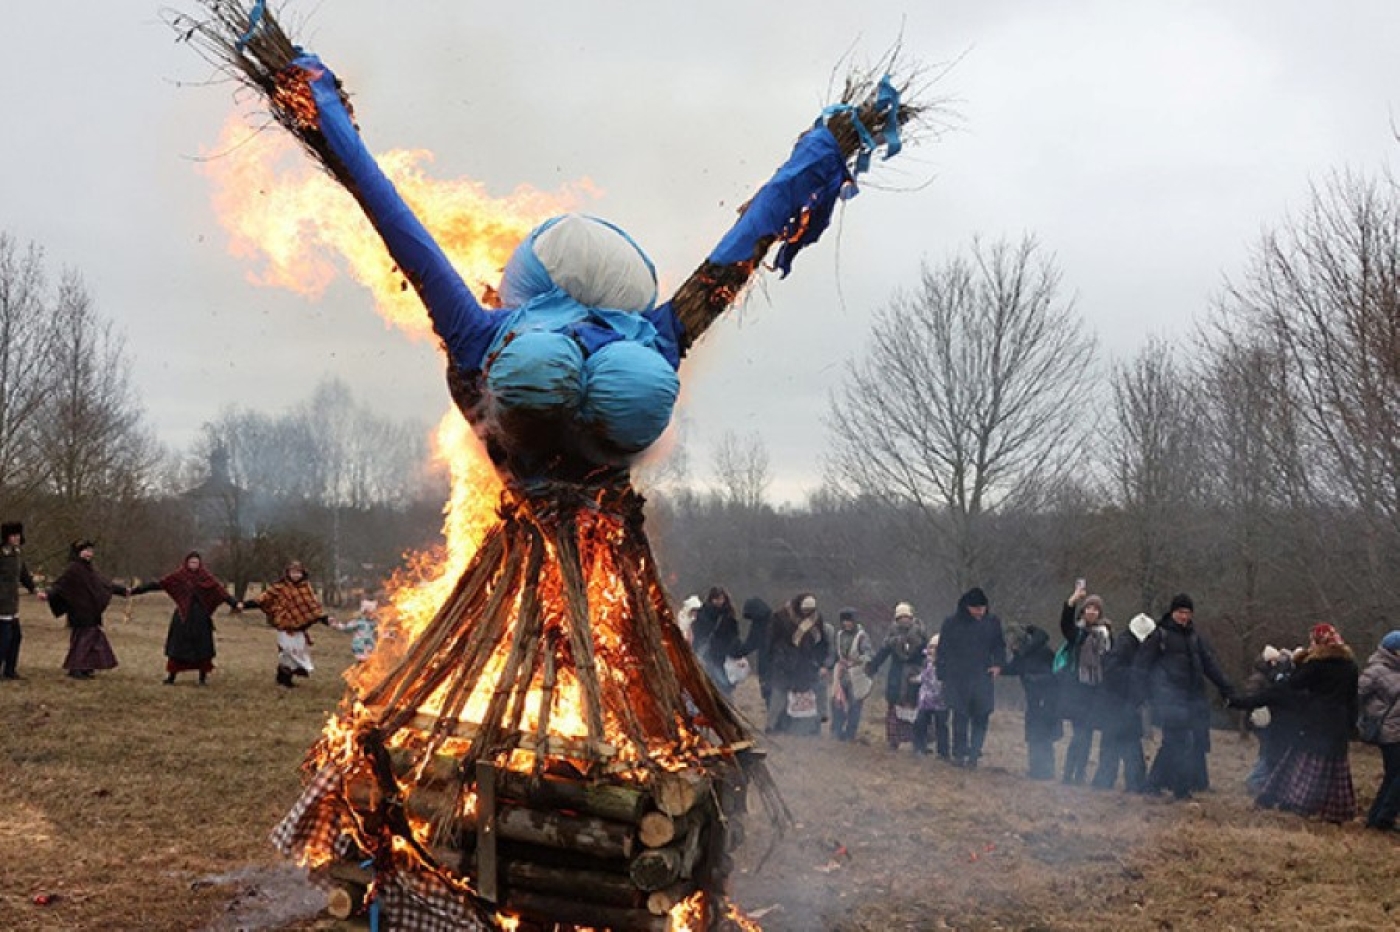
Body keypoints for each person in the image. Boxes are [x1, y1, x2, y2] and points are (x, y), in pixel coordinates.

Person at [1232, 623, 1359, 823]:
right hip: (1338, 725)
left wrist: (1287, 670)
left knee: (1306, 765)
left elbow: (1289, 687)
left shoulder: (1316, 665)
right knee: (1335, 769)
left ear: (1319, 642)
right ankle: (1336, 810)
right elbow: (1352, 699)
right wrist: (1351, 726)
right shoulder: (1350, 666)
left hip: (1315, 722)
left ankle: (1301, 803)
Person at [1132, 593, 1234, 800]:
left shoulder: (1194, 637)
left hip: (1190, 697)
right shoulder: (1159, 635)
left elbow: (1209, 664)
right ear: (1172, 612)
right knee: (1181, 741)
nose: (1184, 616)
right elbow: (1141, 666)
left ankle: (1156, 784)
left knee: (1175, 743)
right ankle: (1179, 789)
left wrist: (1226, 686)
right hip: (1167, 697)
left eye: (1187, 612)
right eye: (1180, 612)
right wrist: (1141, 694)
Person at [131, 552, 238, 686]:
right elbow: (160, 584)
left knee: (202, 648)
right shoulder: (179, 576)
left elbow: (221, 592)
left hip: (201, 618)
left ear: (200, 564)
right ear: (186, 563)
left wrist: (234, 603)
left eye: (196, 563)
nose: (194, 565)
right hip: (183, 617)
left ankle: (202, 679)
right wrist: (136, 591)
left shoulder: (206, 577)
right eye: (191, 562)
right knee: (177, 647)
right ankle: (171, 677)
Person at [936, 588, 1007, 769]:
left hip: (983, 676)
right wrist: (941, 672)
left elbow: (999, 646)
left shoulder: (992, 622)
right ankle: (959, 754)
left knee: (981, 716)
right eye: (976, 609)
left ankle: (974, 755)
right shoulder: (951, 623)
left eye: (983, 608)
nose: (980, 612)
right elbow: (942, 648)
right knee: (959, 716)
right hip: (957, 677)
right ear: (967, 607)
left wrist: (999, 665)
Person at [43, 540, 128, 679]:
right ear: (79, 552)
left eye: (90, 551)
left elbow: (104, 584)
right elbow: (60, 586)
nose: (89, 553)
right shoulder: (73, 569)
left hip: (90, 612)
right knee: (83, 640)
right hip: (79, 612)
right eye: (86, 550)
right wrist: (47, 594)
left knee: (91, 640)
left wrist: (123, 591)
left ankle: (85, 667)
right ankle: (76, 668)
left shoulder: (90, 569)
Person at [244, 561, 332, 688]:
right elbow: (263, 598)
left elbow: (312, 606)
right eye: (293, 572)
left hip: (300, 628)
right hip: (284, 625)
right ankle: (284, 679)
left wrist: (323, 618)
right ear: (288, 573)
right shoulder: (280, 587)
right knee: (286, 651)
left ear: (303, 573)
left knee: (297, 652)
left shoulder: (306, 587)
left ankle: (285, 677)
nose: (296, 575)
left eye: (298, 572)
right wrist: (245, 605)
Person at [1092, 613, 1155, 792]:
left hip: (1123, 702)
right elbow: (1112, 672)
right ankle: (1132, 783)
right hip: (1117, 702)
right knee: (1125, 745)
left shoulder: (1130, 644)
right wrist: (1137, 677)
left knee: (1118, 744)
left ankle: (1109, 781)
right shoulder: (1125, 645)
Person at [1058, 585, 1112, 785]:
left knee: (1087, 735)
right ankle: (1068, 774)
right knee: (1079, 734)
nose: (1092, 611)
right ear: (1083, 611)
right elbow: (1065, 625)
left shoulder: (1105, 635)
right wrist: (1071, 602)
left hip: (1095, 691)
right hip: (1077, 690)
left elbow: (1108, 661)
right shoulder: (1078, 633)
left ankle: (1079, 773)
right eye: (1089, 608)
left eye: (1096, 609)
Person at [1003, 624, 1060, 780]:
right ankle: (1035, 769)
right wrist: (998, 669)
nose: (1012, 647)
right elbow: (1013, 668)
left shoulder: (1042, 651)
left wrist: (1035, 679)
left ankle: (1046, 771)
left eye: (1014, 643)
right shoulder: (1021, 654)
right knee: (1034, 735)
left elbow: (1055, 674)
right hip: (1034, 700)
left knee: (1044, 737)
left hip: (1047, 699)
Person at [766, 593, 828, 735]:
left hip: (806, 663)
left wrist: (819, 661)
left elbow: (821, 643)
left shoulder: (816, 619)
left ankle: (810, 728)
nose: (807, 613)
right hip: (784, 662)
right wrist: (775, 659)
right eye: (805, 610)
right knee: (779, 695)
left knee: (807, 696)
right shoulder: (781, 616)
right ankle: (772, 725)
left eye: (810, 611)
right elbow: (772, 640)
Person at [867, 602, 927, 751]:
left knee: (915, 710)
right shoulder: (892, 636)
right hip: (896, 675)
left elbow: (929, 655)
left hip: (914, 675)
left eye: (906, 617)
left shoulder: (920, 634)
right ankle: (894, 741)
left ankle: (918, 743)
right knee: (894, 709)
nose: (903, 620)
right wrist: (872, 667)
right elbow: (883, 652)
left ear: (911, 617)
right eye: (900, 618)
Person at [1358, 630, 1400, 832]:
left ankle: (1377, 818)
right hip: (1389, 731)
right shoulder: (1375, 671)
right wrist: (1372, 713)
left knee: (1393, 776)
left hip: (1396, 729)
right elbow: (1356, 695)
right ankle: (1384, 818)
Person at [1241, 645, 1298, 795]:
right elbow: (1252, 698)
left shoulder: (1263, 676)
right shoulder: (1260, 679)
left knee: (1267, 751)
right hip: (1261, 720)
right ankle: (1255, 780)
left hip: (1263, 720)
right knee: (1267, 752)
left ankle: (1258, 779)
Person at [830, 607, 874, 742]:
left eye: (849, 621)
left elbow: (869, 654)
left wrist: (858, 660)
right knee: (837, 702)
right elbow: (835, 653)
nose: (846, 624)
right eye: (844, 621)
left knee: (855, 705)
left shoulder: (862, 636)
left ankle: (850, 733)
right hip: (842, 673)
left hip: (857, 675)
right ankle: (837, 731)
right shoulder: (839, 635)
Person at [690, 587, 743, 697]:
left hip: (718, 652)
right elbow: (698, 631)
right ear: (711, 599)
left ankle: (725, 695)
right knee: (715, 675)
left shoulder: (727, 615)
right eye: (716, 599)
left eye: (720, 599)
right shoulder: (704, 613)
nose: (719, 601)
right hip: (706, 650)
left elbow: (733, 635)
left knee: (717, 675)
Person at [0, 521, 36, 680]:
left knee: (16, 637)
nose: (16, 538)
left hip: (12, 603)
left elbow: (23, 574)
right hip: (1, 603)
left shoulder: (17, 553)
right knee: (4, 638)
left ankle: (10, 670)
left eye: (18, 535)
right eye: (13, 535)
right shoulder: (2, 553)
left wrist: (33, 589)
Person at [912, 634, 950, 759]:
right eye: (931, 647)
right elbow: (923, 677)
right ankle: (919, 747)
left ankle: (943, 752)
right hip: (926, 699)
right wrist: (915, 679)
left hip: (941, 699)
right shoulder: (926, 661)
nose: (933, 650)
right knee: (920, 723)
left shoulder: (947, 663)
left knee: (941, 725)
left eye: (936, 648)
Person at [739, 597, 774, 710]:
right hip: (774, 662)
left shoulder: (760, 625)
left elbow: (751, 643)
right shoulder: (775, 619)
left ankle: (773, 717)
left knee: (768, 690)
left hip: (768, 661)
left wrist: (736, 651)